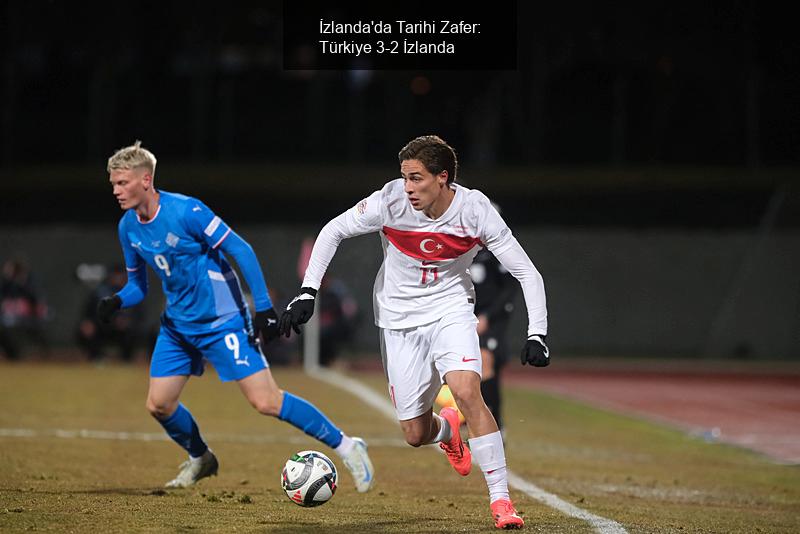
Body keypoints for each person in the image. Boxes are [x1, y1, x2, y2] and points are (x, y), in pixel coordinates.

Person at [280, 135, 549, 529]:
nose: (407, 187)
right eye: (404, 177)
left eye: (416, 178)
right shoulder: (389, 201)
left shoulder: (475, 210)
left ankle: (502, 502)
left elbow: (527, 271)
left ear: (443, 178)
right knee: (414, 432)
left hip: (451, 311)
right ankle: (446, 431)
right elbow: (332, 231)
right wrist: (307, 291)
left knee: (466, 389)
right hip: (398, 321)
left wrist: (537, 332)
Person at [100, 140, 374, 491]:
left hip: (222, 321)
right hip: (178, 327)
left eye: (122, 183)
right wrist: (117, 301)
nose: (116, 190)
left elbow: (239, 249)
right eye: (113, 184)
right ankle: (201, 458)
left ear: (146, 180)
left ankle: (349, 446)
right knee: (159, 404)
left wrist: (262, 308)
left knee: (266, 401)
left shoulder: (187, 212)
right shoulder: (128, 226)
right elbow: (139, 286)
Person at [472, 244, 518, 434]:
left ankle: (495, 425)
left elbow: (509, 288)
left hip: (491, 320)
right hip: (464, 316)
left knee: (486, 361)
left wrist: (488, 316)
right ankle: (477, 422)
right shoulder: (458, 242)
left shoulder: (498, 249)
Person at [77, 263, 144, 362]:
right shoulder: (100, 292)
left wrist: (128, 322)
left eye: (120, 275)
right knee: (87, 329)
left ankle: (126, 360)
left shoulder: (132, 293)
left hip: (122, 331)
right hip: (102, 327)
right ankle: (96, 359)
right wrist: (88, 322)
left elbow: (140, 316)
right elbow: (88, 313)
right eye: (115, 275)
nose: (118, 278)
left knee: (131, 333)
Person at [0, 257, 49, 360]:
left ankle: (40, 355)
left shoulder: (29, 282)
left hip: (29, 317)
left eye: (11, 269)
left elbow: (37, 301)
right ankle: (12, 355)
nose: (7, 271)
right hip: (10, 318)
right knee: (5, 327)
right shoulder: (7, 284)